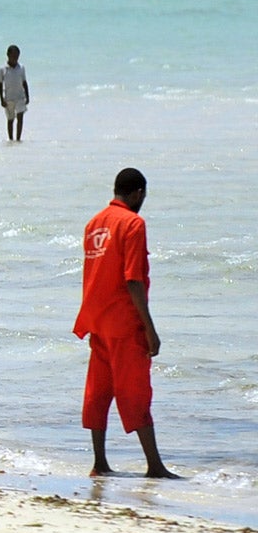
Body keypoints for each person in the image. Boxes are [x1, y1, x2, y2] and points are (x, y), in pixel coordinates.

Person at [76, 168, 175, 479]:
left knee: (98, 391)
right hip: (123, 322)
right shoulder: (134, 223)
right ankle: (155, 466)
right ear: (139, 194)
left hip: (97, 320)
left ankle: (100, 463)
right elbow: (133, 279)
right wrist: (150, 328)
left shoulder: (94, 224)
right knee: (135, 393)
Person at [0, 45, 29, 143]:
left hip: (20, 97)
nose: (15, 58)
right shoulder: (3, 69)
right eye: (13, 56)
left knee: (20, 117)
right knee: (10, 119)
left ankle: (18, 139)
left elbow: (24, 82)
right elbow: (0, 84)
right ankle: (11, 139)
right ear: (8, 55)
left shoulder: (21, 68)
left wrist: (27, 96)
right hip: (9, 98)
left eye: (17, 56)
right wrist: (2, 99)